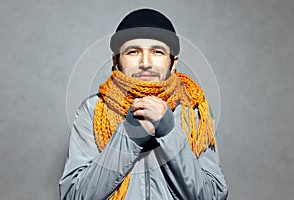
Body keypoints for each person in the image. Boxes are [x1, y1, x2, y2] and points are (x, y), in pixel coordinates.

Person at [59, 8, 228, 200]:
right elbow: (73, 196)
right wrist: (130, 135)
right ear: (116, 61)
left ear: (173, 62)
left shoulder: (195, 112)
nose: (145, 62)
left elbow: (212, 197)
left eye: (157, 51)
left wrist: (169, 133)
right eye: (133, 51)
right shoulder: (92, 110)